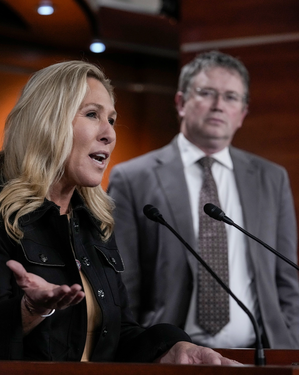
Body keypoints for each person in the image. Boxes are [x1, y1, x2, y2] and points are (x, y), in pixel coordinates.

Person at [0, 60, 238, 370]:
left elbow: (117, 335)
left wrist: (173, 347)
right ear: (47, 121)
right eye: (92, 114)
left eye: (111, 119)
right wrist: (31, 309)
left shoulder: (92, 223)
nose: (109, 133)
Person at [108, 51, 299, 349]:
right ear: (181, 103)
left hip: (263, 354)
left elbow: (287, 278)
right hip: (172, 356)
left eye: (231, 97)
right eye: (207, 93)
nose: (219, 105)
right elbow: (123, 281)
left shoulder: (271, 178)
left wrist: (290, 338)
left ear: (243, 113)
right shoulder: (132, 178)